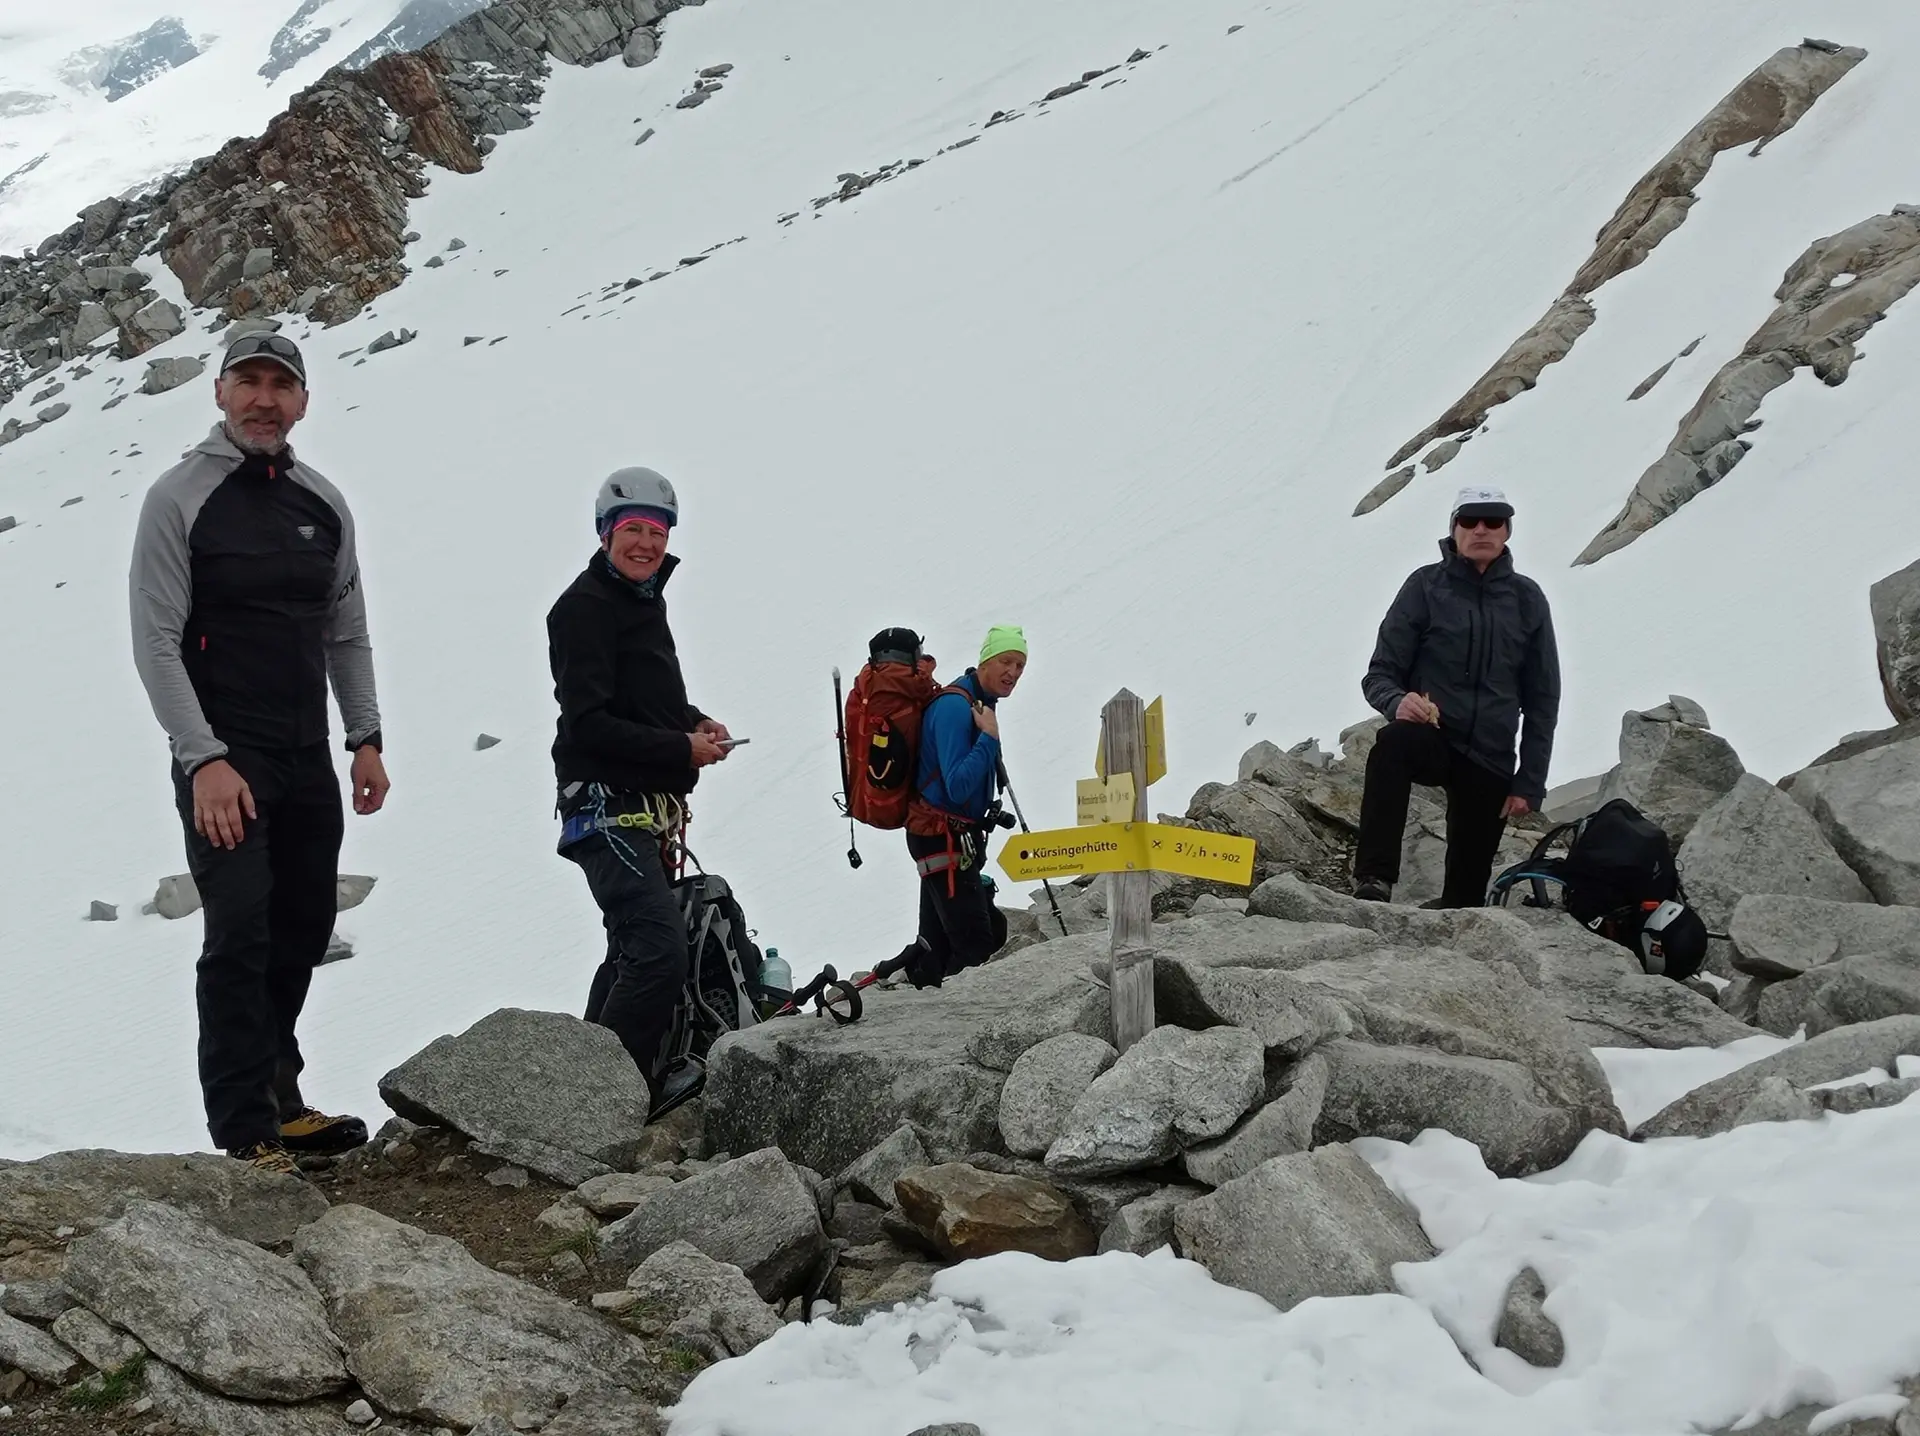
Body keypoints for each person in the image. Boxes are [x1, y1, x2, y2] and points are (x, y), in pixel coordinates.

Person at [129, 331, 390, 1176]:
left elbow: (346, 636)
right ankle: (245, 1135)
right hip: (223, 759)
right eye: (249, 381)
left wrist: (365, 739)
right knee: (239, 931)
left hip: (305, 754)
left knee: (302, 924)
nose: (264, 399)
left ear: (303, 402)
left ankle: (283, 1101)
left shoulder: (323, 503)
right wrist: (202, 758)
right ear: (219, 392)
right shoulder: (179, 498)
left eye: (282, 385)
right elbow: (156, 643)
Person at [547, 467, 729, 1116]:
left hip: (634, 813)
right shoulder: (583, 609)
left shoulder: (642, 600)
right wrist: (684, 749)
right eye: (633, 530)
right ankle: (613, 1106)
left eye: (657, 530)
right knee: (657, 950)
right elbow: (589, 723)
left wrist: (692, 722)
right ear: (605, 535)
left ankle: (577, 1099)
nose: (646, 542)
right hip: (605, 809)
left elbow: (648, 702)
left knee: (631, 947)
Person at [1354, 485, 1560, 908]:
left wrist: (1530, 783)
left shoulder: (1528, 599)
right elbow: (1379, 674)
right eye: (1470, 520)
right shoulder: (1424, 587)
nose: (1481, 529)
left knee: (1464, 902)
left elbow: (1543, 697)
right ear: (1454, 529)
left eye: (1493, 521)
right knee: (1392, 743)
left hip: (1491, 757)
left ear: (1507, 531)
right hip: (1435, 739)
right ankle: (1374, 878)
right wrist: (1397, 702)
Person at [895, 625, 1028, 986]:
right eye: (1006, 661)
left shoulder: (975, 702)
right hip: (943, 838)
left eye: (1020, 665)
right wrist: (988, 737)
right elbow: (957, 786)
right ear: (984, 660)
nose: (1013, 673)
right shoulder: (956, 707)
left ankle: (918, 1001)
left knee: (936, 946)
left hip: (948, 839)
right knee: (975, 944)